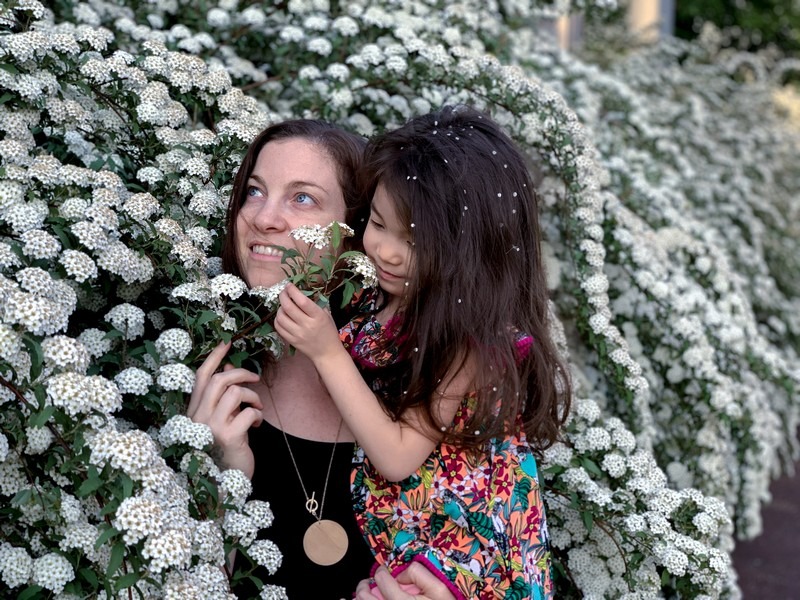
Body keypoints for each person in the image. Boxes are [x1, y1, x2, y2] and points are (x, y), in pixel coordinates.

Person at [274, 106, 572, 599]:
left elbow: (396, 457)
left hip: (460, 554)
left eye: (413, 240)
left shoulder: (468, 342)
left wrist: (327, 352)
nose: (385, 250)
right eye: (378, 222)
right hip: (406, 538)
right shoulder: (387, 294)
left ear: (469, 249)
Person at [187, 119, 457, 599]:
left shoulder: (420, 393)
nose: (264, 217)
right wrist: (221, 476)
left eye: (302, 198)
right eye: (253, 191)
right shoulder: (207, 378)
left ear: (359, 235)